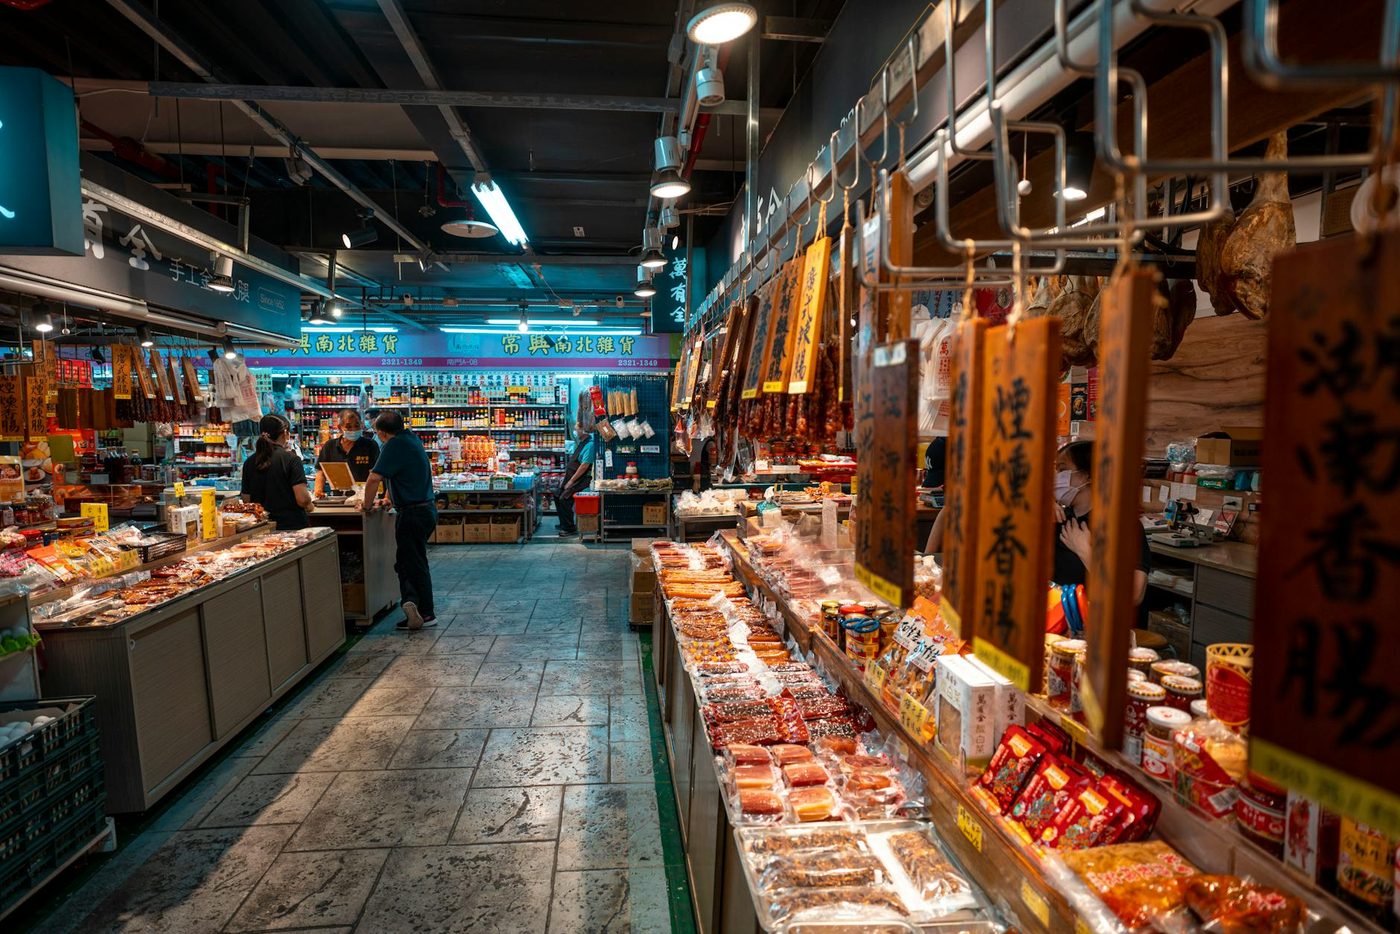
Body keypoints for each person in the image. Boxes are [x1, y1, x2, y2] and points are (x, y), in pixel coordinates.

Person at [361, 411, 437, 630]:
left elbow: (374, 478)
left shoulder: (394, 445)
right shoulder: (410, 438)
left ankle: (425, 612)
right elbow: (400, 475)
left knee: (412, 563)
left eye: (377, 433)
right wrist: (388, 498)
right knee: (408, 561)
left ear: (383, 433)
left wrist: (366, 506)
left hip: (412, 513)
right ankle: (412, 603)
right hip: (424, 509)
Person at [1053, 440, 1150, 605]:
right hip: (1061, 622)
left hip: (1102, 624)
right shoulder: (1060, 517)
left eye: (1062, 470)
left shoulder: (1121, 525)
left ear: (1089, 475)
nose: (1056, 478)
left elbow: (1134, 594)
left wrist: (1085, 551)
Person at [241, 414, 313, 529]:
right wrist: (310, 504)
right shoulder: (292, 459)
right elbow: (303, 500)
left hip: (261, 528)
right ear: (285, 433)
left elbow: (246, 500)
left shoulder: (249, 462)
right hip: (291, 528)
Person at [313, 409, 379, 496]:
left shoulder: (370, 445)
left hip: (364, 497)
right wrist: (318, 491)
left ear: (361, 425)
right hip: (338, 498)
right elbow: (321, 472)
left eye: (356, 425)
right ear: (340, 428)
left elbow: (374, 475)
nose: (353, 429)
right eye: (348, 427)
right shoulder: (330, 446)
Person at [554, 425, 597, 538]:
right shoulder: (581, 442)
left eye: (576, 428)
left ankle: (570, 528)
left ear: (584, 429)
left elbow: (584, 466)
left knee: (565, 498)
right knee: (557, 495)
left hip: (582, 479)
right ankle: (564, 523)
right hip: (572, 477)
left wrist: (571, 481)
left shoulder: (590, 444)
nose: (574, 430)